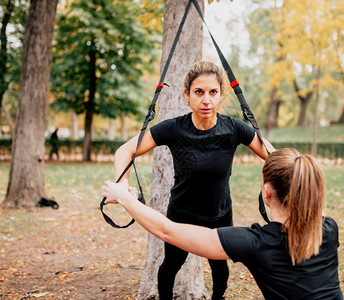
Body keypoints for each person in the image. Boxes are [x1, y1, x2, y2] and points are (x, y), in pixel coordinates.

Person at [113, 61, 276, 300]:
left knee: (220, 268)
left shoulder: (235, 129)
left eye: (213, 92)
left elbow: (276, 159)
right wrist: (121, 186)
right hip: (182, 216)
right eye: (199, 92)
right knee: (170, 267)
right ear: (187, 95)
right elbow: (125, 151)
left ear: (221, 94)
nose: (206, 100)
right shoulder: (173, 129)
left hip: (220, 214)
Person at [103, 148, 343, 299]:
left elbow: (168, 231)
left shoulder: (256, 243)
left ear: (267, 192)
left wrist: (125, 198)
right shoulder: (329, 229)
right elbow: (311, 198)